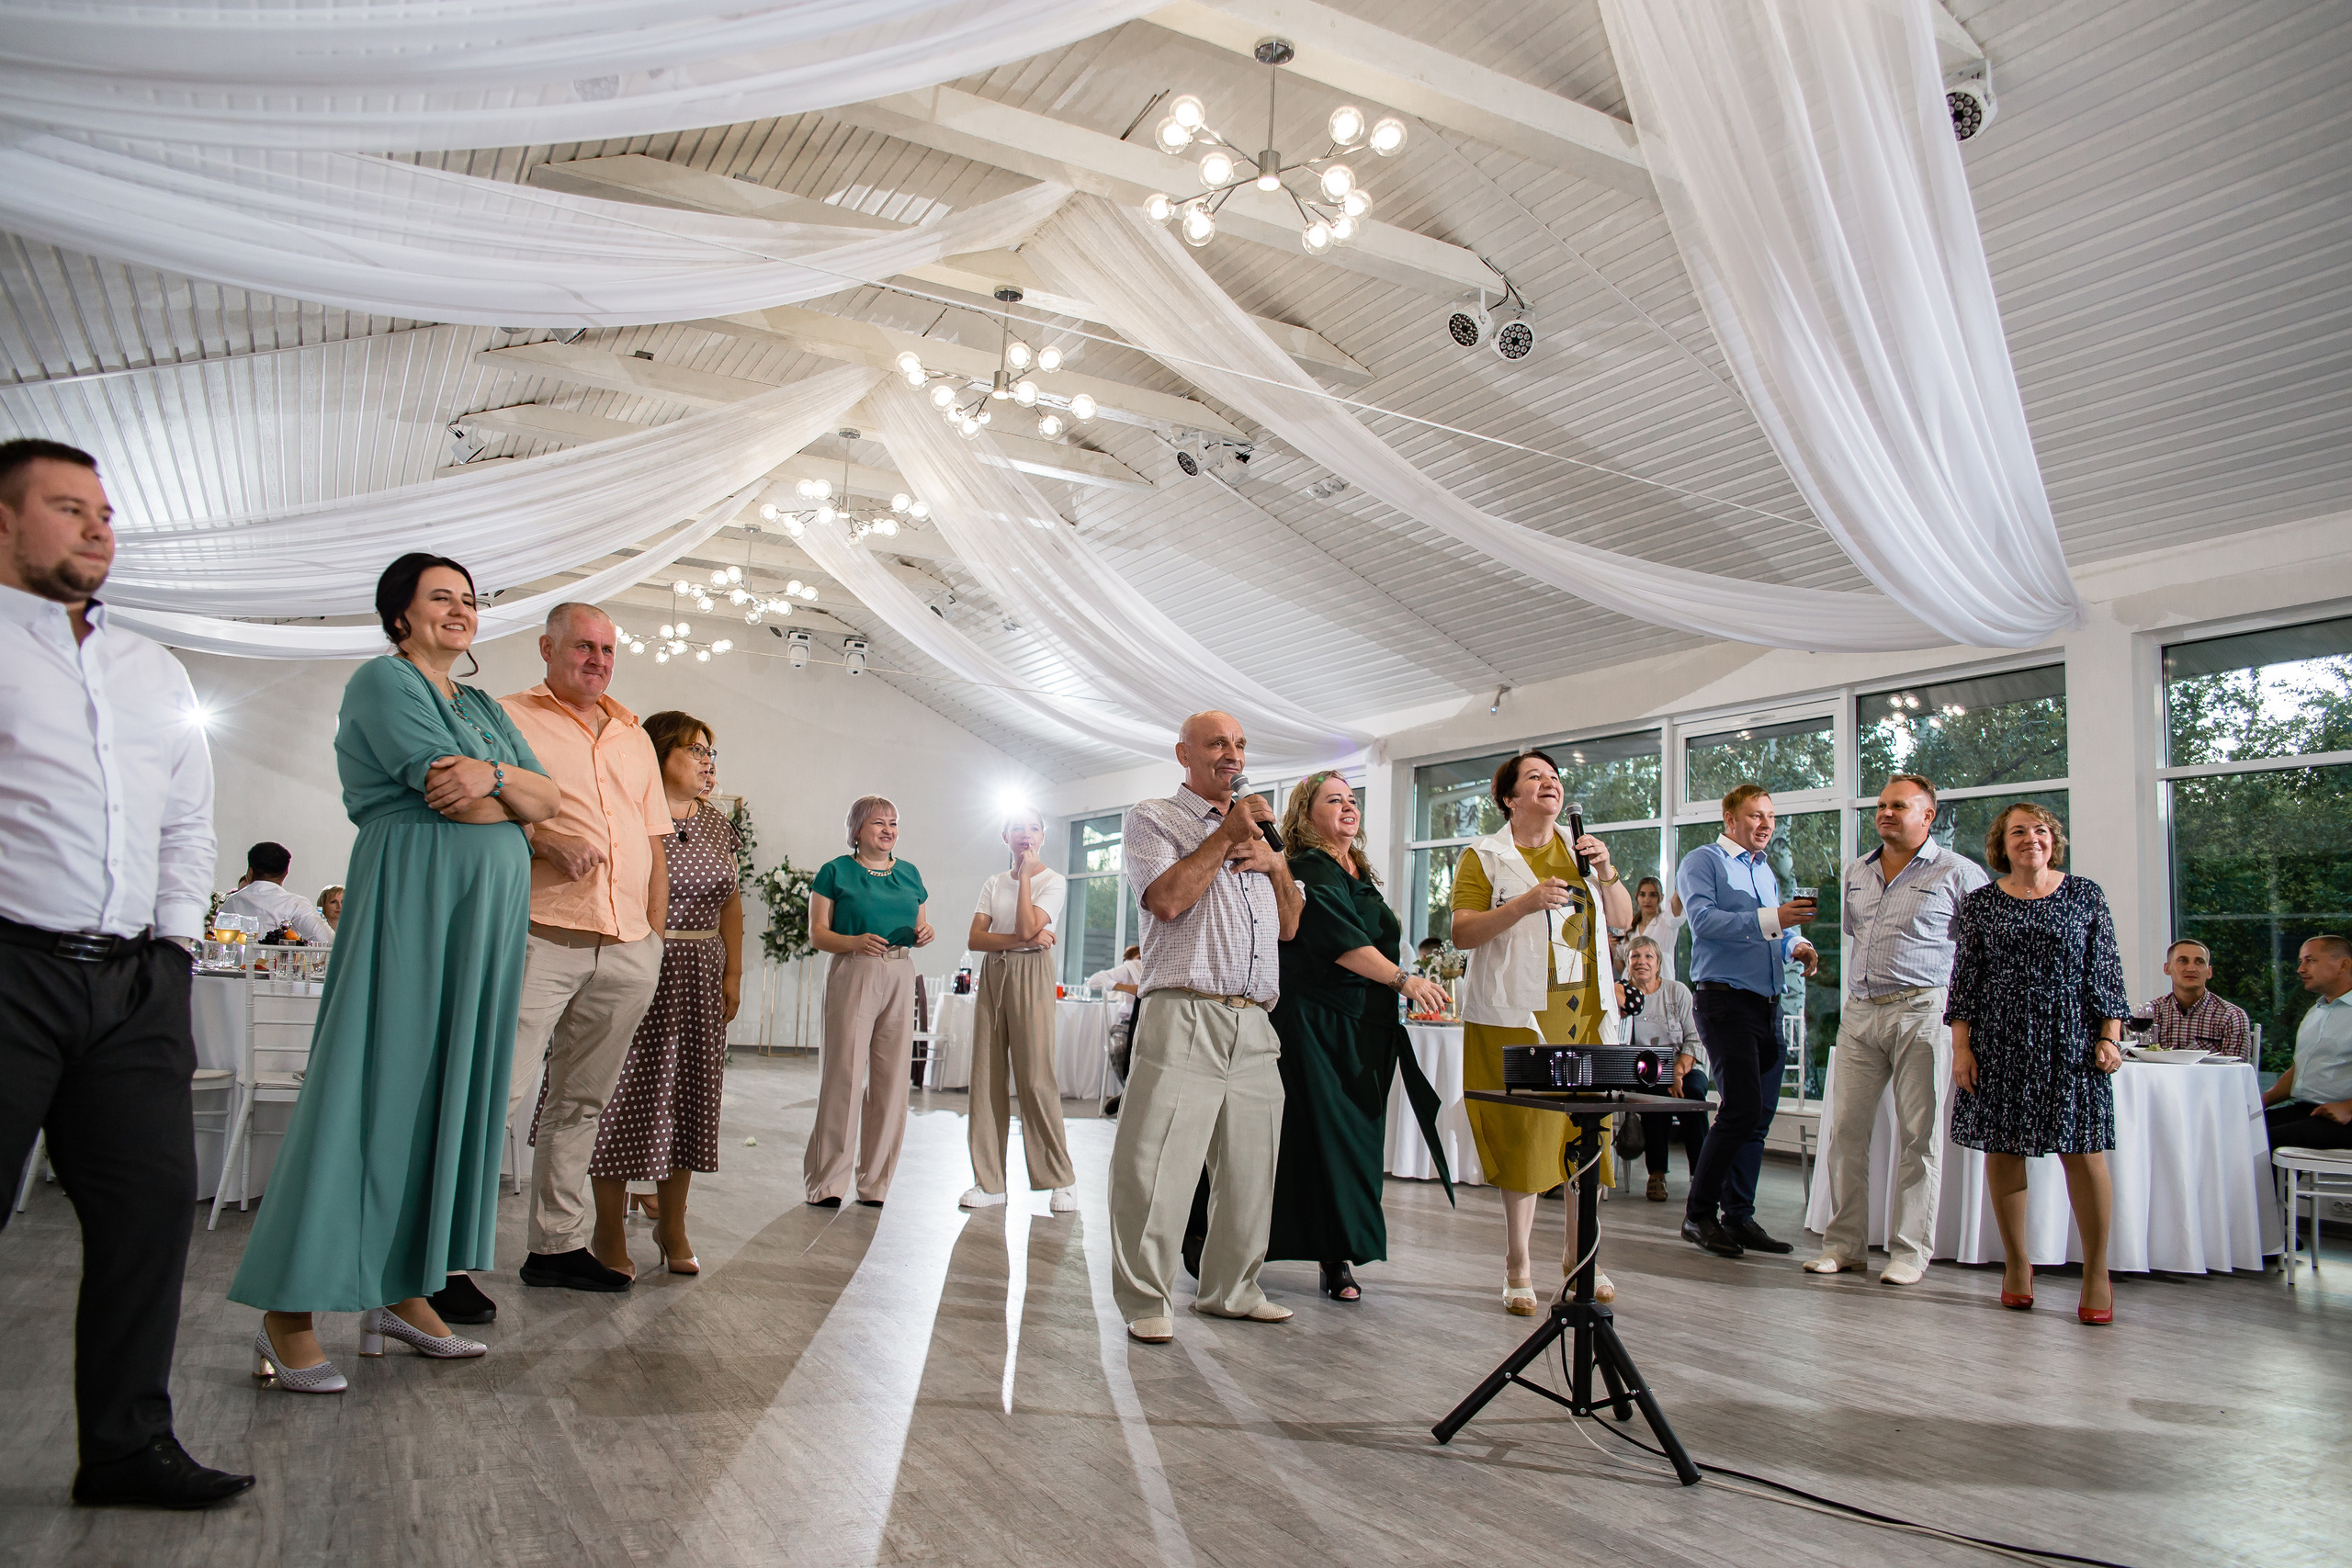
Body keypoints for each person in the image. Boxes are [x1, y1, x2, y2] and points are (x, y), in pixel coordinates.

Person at [230, 555, 560, 1390]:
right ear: (400, 614)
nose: (460, 610)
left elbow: (549, 800)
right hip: (416, 893)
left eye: (469, 599)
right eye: (440, 598)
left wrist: (502, 782)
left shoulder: (480, 703)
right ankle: (288, 1310)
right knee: (371, 1088)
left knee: (451, 1092)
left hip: (483, 916)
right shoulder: (383, 682)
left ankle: (404, 1289)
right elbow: (451, 794)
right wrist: (508, 794)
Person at [0, 438, 252, 1508]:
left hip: (136, 982)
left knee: (149, 1209)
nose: (100, 528)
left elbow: (187, 825)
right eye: (68, 508)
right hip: (9, 961)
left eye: (104, 511)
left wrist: (171, 949)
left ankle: (125, 1447)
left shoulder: (151, 667)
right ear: (5, 522)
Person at [493, 604, 672, 1302]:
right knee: (497, 1095)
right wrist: (543, 842)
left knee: (580, 1101)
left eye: (606, 649)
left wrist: (651, 933)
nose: (597, 660)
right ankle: (441, 1260)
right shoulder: (507, 717)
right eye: (583, 647)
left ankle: (557, 1246)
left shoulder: (633, 735)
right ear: (546, 647)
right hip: (541, 930)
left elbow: (652, 837)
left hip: (627, 945)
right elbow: (486, 807)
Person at [1108, 711, 1303, 1343]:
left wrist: (1275, 865)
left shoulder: (1263, 834)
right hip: (1184, 1008)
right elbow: (1166, 899)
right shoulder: (1154, 817)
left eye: (1240, 744)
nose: (1232, 753)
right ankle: (1146, 1297)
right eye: (1218, 742)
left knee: (1252, 1167)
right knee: (1156, 1160)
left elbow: (1290, 926)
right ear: (1184, 753)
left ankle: (1232, 1288)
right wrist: (1224, 839)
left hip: (1254, 1020)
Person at [1451, 750, 1633, 1313]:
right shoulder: (1485, 855)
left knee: (1587, 1134)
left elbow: (1623, 920)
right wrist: (1525, 903)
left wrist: (1607, 872)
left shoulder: (1581, 853)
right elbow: (1462, 932)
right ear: (1509, 797)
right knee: (1527, 1134)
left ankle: (1581, 1259)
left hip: (1586, 1010)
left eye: (1554, 778)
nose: (1550, 784)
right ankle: (1517, 1263)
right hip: (1517, 1012)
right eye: (1536, 777)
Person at [1265, 773, 1452, 1301]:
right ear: (1306, 813)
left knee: (1357, 1144)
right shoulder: (1307, 867)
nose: (1349, 807)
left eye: (1353, 800)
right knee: (1323, 1140)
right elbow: (1339, 942)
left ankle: (1337, 1249)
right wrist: (1404, 980)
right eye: (1334, 800)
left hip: (1364, 1026)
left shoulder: (1358, 871)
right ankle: (1332, 1255)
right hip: (1318, 1024)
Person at [1948, 802, 2129, 1324]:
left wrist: (2110, 1036)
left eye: (2041, 829)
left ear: (2055, 840)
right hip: (2000, 1039)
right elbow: (1966, 981)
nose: (2032, 838)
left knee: (2084, 1152)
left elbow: (2106, 969)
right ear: (2001, 845)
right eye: (2019, 831)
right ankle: (2017, 1264)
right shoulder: (1981, 903)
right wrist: (1963, 1047)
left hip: (2072, 1040)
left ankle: (2097, 1270)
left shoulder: (2084, 894)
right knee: (2004, 1150)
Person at [1806, 773, 1987, 1286]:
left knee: (1919, 1137)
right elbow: (1855, 934)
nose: (1885, 813)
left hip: (1924, 1013)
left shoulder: (1960, 874)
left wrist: (1967, 1029)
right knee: (1844, 1135)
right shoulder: (1856, 872)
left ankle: (1910, 1252)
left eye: (1899, 806)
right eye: (1881, 805)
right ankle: (1844, 1247)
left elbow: (1978, 955)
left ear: (1927, 816)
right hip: (1860, 1013)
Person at [582, 711, 742, 1277]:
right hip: (635, 962)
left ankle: (672, 1224)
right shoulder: (625, 814)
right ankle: (607, 1231)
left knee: (689, 1096)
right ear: (657, 754)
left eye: (710, 753)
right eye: (695, 751)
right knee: (620, 1095)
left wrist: (733, 975)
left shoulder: (719, 825)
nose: (707, 762)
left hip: (698, 968)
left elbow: (731, 903)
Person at [1677, 784, 1819, 1260]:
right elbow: (1704, 922)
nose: (1766, 825)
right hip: (1724, 1001)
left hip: (1767, 1004)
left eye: (1771, 818)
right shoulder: (1704, 861)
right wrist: (1774, 918)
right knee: (1739, 1108)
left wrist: (1796, 945)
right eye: (1756, 816)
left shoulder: (1765, 872)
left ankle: (1738, 1216)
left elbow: (1777, 930)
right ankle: (1698, 1215)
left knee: (1758, 1117)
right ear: (1730, 818)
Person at [806, 795, 934, 1205]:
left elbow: (919, 924)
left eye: (893, 823)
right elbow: (818, 934)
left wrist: (925, 933)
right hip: (854, 968)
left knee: (892, 1080)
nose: (888, 829)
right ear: (857, 829)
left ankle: (875, 1182)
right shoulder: (835, 872)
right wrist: (853, 942)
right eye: (878, 822)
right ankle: (827, 1183)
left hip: (901, 971)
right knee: (843, 1075)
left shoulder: (911, 874)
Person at [961, 807, 1076, 1213]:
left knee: (1035, 1077)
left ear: (1043, 834)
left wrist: (1026, 879)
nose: (1025, 834)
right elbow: (976, 939)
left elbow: (1030, 926)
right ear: (1004, 836)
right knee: (986, 1075)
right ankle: (989, 1182)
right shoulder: (993, 882)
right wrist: (1024, 938)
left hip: (1032, 976)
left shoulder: (1053, 881)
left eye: (1032, 827)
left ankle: (1061, 1179)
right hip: (994, 974)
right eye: (1016, 828)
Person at [1623, 936, 1707, 1202]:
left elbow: (1695, 1037)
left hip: (1683, 1063)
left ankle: (1702, 1175)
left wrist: (1678, 1073)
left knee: (1693, 1094)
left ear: (1658, 964)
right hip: (1643, 1071)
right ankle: (1656, 1174)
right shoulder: (1622, 995)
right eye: (1635, 956)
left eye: (1648, 956)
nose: (1642, 962)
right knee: (1654, 1097)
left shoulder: (1677, 991)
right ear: (1627, 963)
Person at [2261, 935, 2352, 1150]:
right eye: (2301, 961)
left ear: (2344, 965)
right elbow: (2300, 1068)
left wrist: (2348, 1108)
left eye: (2310, 960)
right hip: (2308, 1109)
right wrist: (2258, 1103)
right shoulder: (2316, 1011)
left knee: (2266, 1141)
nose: (2300, 969)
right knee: (2239, 1128)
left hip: (2345, 1117)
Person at [2138, 939, 2253, 1061]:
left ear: (2209, 972)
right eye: (2183, 961)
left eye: (2199, 962)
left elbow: (2235, 1070)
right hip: (2158, 1079)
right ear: (2167, 968)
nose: (2191, 968)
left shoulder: (2231, 1016)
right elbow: (2136, 1061)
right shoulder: (2148, 1013)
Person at [216, 841, 334, 944]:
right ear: (286, 873)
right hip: (279, 968)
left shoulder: (232, 901)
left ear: (250, 872)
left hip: (235, 970)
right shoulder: (295, 904)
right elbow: (327, 940)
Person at [1625, 875, 1684, 979]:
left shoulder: (1666, 921)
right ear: (1636, 896)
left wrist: (1684, 874)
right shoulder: (1631, 929)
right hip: (1633, 986)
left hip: (1661, 981)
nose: (1647, 900)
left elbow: (1677, 900)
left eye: (1653, 895)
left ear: (1661, 897)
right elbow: (1622, 967)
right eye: (1642, 895)